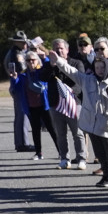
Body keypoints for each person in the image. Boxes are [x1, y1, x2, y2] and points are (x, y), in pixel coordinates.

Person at [48, 38, 108, 188]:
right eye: (97, 67)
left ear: (106, 68)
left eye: (102, 67)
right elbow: (71, 71)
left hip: (105, 123)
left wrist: (107, 117)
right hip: (90, 122)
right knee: (99, 152)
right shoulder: (88, 80)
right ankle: (106, 174)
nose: (99, 70)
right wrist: (59, 62)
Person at [41, 38, 87, 170]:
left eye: (61, 48)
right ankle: (64, 159)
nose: (59, 50)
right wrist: (52, 66)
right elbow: (42, 77)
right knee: (60, 133)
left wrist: (72, 92)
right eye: (56, 48)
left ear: (67, 50)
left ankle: (81, 158)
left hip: (74, 102)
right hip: (56, 104)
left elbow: (80, 81)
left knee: (77, 133)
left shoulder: (76, 63)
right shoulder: (49, 64)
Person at [20, 52, 58, 161]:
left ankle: (61, 152)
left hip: (44, 105)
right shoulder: (23, 74)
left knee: (52, 129)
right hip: (31, 106)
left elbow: (48, 65)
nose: (31, 62)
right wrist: (13, 79)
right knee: (35, 130)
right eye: (28, 60)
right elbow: (15, 87)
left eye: (33, 59)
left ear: (37, 61)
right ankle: (38, 153)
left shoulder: (41, 71)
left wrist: (44, 57)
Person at [4, 30, 33, 152]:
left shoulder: (14, 52)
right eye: (22, 42)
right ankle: (22, 143)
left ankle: (20, 142)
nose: (25, 44)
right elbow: (22, 68)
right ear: (16, 42)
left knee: (21, 115)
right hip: (20, 85)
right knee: (22, 114)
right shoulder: (17, 53)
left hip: (18, 84)